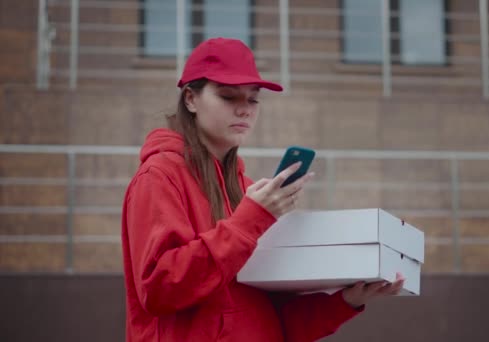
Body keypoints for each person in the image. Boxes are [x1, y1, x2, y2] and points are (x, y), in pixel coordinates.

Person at [121, 37, 405, 342]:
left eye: (253, 99)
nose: (245, 110)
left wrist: (347, 300)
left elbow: (272, 321)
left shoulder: (246, 189)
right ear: (190, 99)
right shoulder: (160, 175)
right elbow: (161, 289)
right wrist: (249, 221)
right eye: (229, 97)